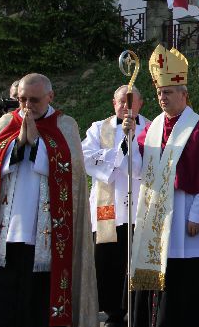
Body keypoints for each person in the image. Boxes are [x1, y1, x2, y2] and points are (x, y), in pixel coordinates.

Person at [0, 73, 97, 327]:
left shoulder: (66, 125)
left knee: (37, 303)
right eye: (22, 100)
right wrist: (19, 145)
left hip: (46, 238)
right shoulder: (7, 121)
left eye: (34, 100)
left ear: (50, 97)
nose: (27, 106)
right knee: (2, 303)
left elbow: (74, 169)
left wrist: (40, 146)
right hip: (4, 235)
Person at [130, 45, 199, 327]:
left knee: (185, 285)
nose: (163, 97)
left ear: (184, 95)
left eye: (169, 92)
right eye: (160, 92)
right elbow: (140, 170)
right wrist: (128, 140)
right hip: (156, 218)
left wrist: (198, 215)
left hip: (186, 219)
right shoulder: (152, 128)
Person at [81, 85, 148, 327]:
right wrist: (120, 154)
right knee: (109, 260)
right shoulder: (99, 128)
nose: (125, 107)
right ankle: (113, 313)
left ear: (140, 104)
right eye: (121, 102)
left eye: (130, 102)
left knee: (135, 259)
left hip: (140, 207)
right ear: (113, 103)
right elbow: (85, 156)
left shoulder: (151, 127)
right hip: (108, 209)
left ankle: (138, 309)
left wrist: (130, 149)